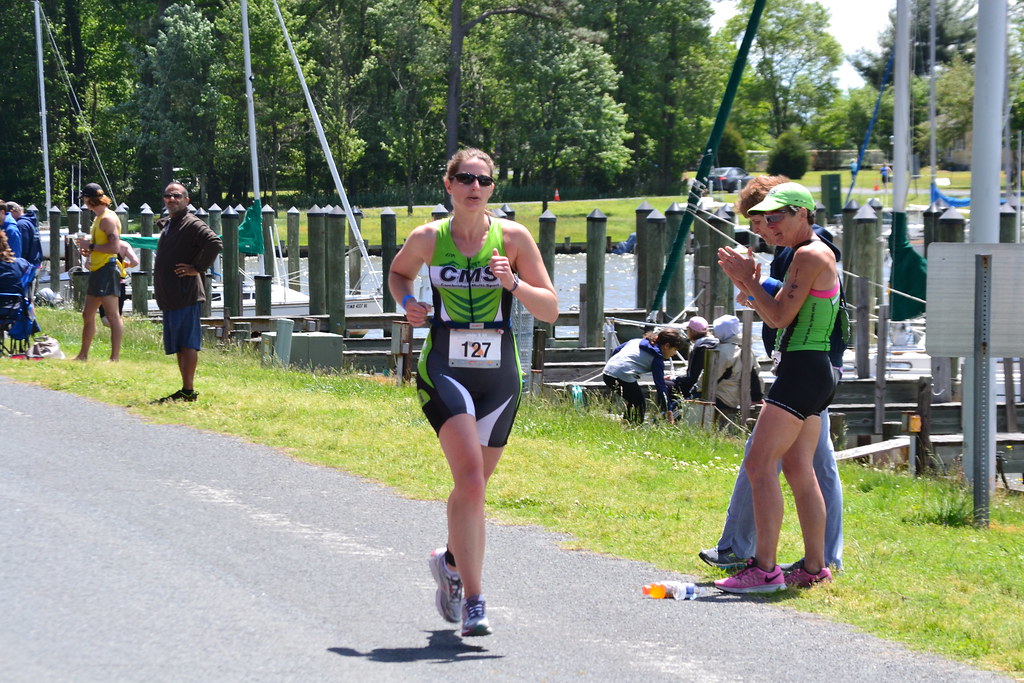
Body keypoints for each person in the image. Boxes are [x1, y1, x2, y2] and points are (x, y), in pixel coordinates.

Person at [388, 148, 558, 637]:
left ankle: (450, 562)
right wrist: (408, 302)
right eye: (465, 178)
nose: (474, 187)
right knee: (470, 481)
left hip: (499, 375)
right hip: (444, 367)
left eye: (484, 181)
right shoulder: (428, 237)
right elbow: (399, 274)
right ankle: (475, 602)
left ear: (492, 188)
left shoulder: (514, 238)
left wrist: (514, 283)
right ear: (449, 184)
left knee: (474, 488)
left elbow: (550, 309)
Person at [699, 176, 846, 576]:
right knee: (802, 469)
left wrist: (749, 279)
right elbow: (777, 311)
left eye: (771, 218)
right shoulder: (800, 251)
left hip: (804, 369)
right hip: (810, 370)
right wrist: (748, 283)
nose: (765, 228)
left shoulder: (808, 253)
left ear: (801, 213)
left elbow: (781, 316)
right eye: (759, 220)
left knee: (760, 463)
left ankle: (761, 566)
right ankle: (817, 565)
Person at [153, 182, 222, 403]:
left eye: (177, 196)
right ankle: (184, 390)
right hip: (171, 296)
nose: (171, 199)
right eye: (168, 196)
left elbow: (214, 243)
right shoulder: (172, 223)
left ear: (186, 200)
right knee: (178, 345)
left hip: (185, 294)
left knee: (187, 343)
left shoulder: (191, 223)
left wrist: (197, 268)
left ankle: (189, 391)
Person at [72, 183, 124, 362]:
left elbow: (115, 247)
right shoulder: (98, 218)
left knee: (112, 316)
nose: (84, 202)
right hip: (97, 269)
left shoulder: (107, 219)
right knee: (87, 314)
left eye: (84, 199)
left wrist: (91, 246)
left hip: (107, 269)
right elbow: (102, 246)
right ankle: (83, 355)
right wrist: (89, 251)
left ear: (89, 199)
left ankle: (114, 358)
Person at [603, 327, 684, 425]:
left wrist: (613, 366)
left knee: (634, 401)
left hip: (607, 371)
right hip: (622, 375)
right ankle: (631, 428)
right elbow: (660, 386)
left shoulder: (636, 341)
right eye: (675, 349)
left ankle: (625, 425)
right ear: (666, 346)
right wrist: (668, 410)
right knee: (639, 404)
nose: (674, 353)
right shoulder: (657, 358)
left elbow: (616, 350)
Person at [671, 316, 715, 399]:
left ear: (691, 331)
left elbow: (693, 378)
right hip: (711, 387)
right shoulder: (714, 344)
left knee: (666, 385)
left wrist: (674, 379)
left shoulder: (700, 348)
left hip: (696, 389)